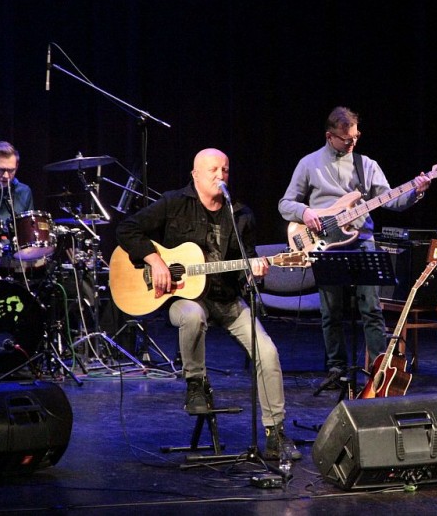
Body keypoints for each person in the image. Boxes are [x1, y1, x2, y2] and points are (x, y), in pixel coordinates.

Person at [116, 147, 301, 461]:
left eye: (225, 170)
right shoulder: (174, 203)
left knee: (268, 352)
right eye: (213, 170)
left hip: (227, 301)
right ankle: (195, 384)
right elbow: (126, 230)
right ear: (195, 175)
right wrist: (155, 261)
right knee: (191, 315)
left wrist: (254, 272)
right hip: (186, 299)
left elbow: (246, 264)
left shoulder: (241, 214)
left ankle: (275, 433)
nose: (220, 176)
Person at [278, 106, 431, 390]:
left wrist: (416, 191)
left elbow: (392, 200)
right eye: (346, 139)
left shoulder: (366, 164)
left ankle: (380, 371)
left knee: (371, 309)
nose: (352, 143)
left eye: (356, 137)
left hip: (362, 242)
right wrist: (305, 212)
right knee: (331, 311)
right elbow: (285, 204)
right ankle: (336, 368)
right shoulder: (309, 163)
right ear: (330, 136)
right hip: (325, 244)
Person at [0, 141, 37, 271]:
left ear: (17, 166)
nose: (6, 176)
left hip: (12, 260)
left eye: (11, 170)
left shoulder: (23, 191)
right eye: (1, 170)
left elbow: (28, 233)